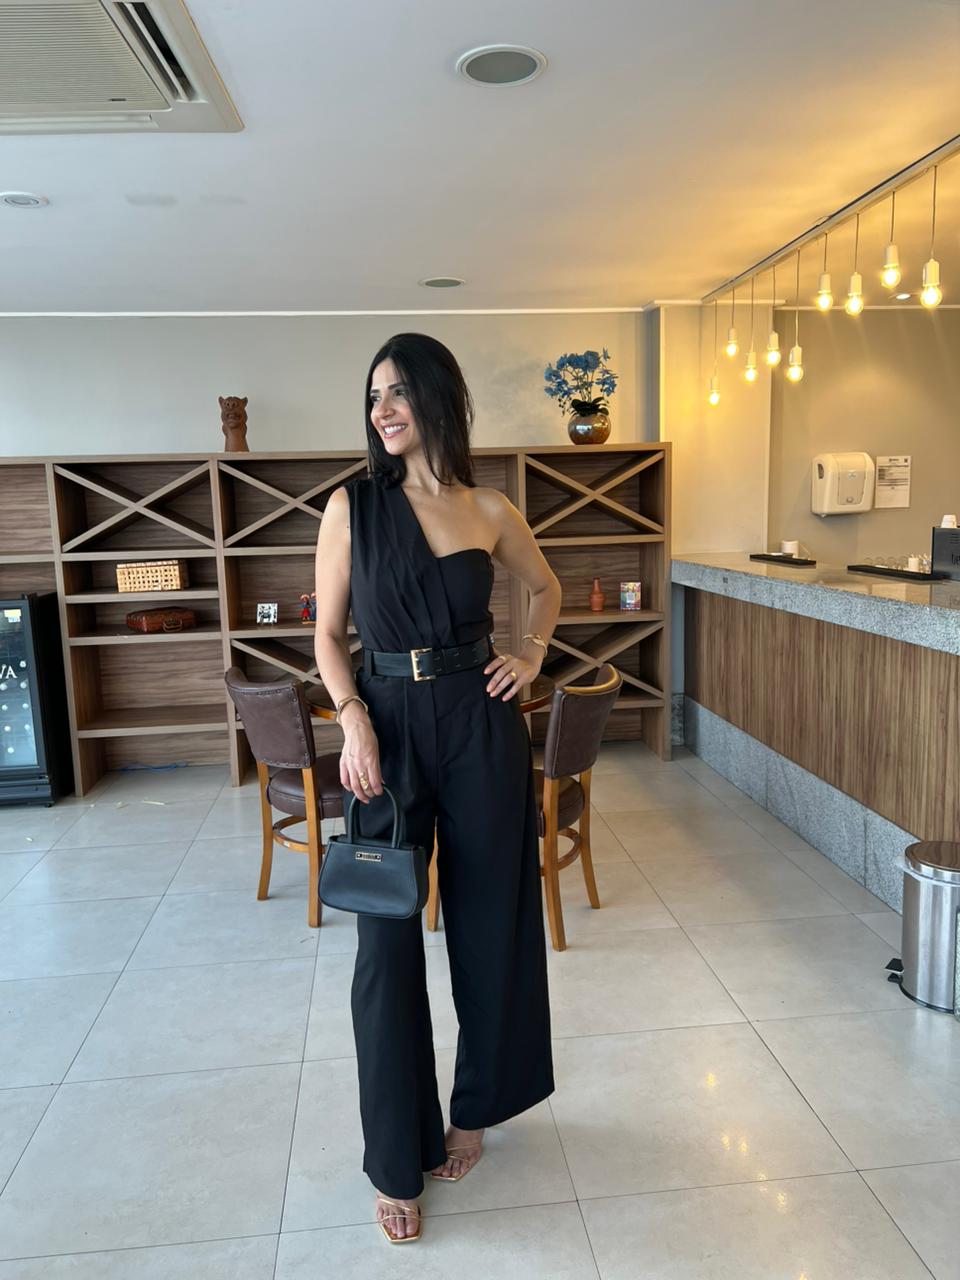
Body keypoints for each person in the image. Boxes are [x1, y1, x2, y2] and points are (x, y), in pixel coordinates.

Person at [313, 332, 561, 1244]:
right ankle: (394, 1158)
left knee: (491, 922)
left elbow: (544, 589)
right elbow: (327, 635)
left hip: (479, 724)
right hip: (383, 728)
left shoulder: (488, 506)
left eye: (398, 392)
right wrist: (352, 719)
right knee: (385, 949)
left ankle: (475, 1113)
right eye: (373, 395)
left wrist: (529, 656)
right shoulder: (352, 505)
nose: (381, 409)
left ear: (437, 398)